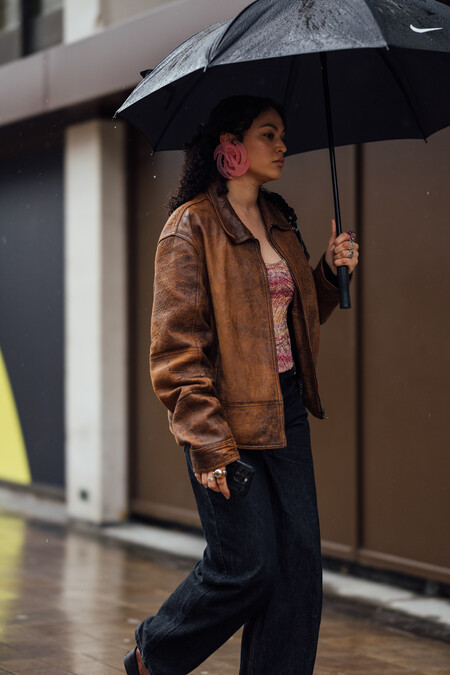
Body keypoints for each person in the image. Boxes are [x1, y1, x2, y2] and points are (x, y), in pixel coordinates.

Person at [124, 95, 359, 675]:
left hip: (287, 410)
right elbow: (176, 350)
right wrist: (206, 443)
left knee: (298, 573)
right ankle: (155, 656)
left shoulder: (280, 219)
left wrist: (329, 273)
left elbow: (292, 318)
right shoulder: (190, 228)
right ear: (230, 146)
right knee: (247, 566)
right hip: (224, 418)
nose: (283, 146)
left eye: (282, 134)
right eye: (268, 134)